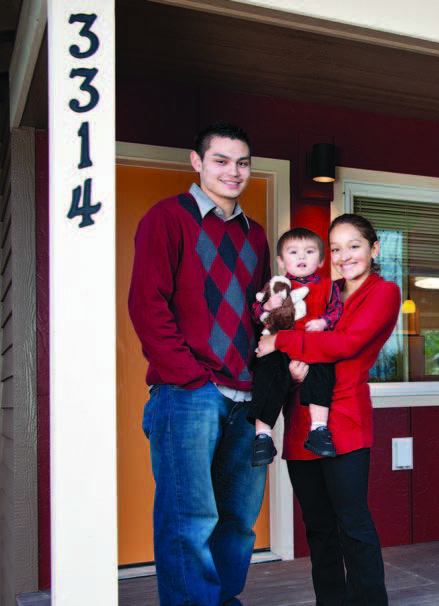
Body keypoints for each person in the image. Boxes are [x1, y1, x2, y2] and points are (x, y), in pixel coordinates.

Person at [128, 120, 272, 606]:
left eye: (242, 163)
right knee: (188, 521)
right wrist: (192, 379)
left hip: (248, 397)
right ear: (197, 162)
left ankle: (224, 600)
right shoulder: (166, 218)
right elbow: (147, 306)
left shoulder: (256, 236)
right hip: (189, 393)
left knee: (237, 521)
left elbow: (261, 315)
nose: (233, 172)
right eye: (221, 160)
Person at [256, 213, 400, 606]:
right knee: (317, 527)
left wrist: (282, 343)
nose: (344, 255)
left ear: (374, 248)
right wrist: (286, 349)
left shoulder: (383, 291)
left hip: (345, 417)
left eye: (354, 246)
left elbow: (346, 345)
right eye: (335, 248)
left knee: (352, 522)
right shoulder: (324, 290)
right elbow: (293, 328)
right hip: (302, 418)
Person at [247, 227, 343, 467]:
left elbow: (336, 311)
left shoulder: (329, 286)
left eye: (309, 252)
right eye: (293, 252)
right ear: (281, 260)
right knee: (266, 370)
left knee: (323, 368)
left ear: (321, 260)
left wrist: (324, 321)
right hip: (279, 347)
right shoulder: (276, 285)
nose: (301, 257)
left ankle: (319, 429)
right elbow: (256, 313)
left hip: (312, 346)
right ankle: (262, 435)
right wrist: (269, 305)